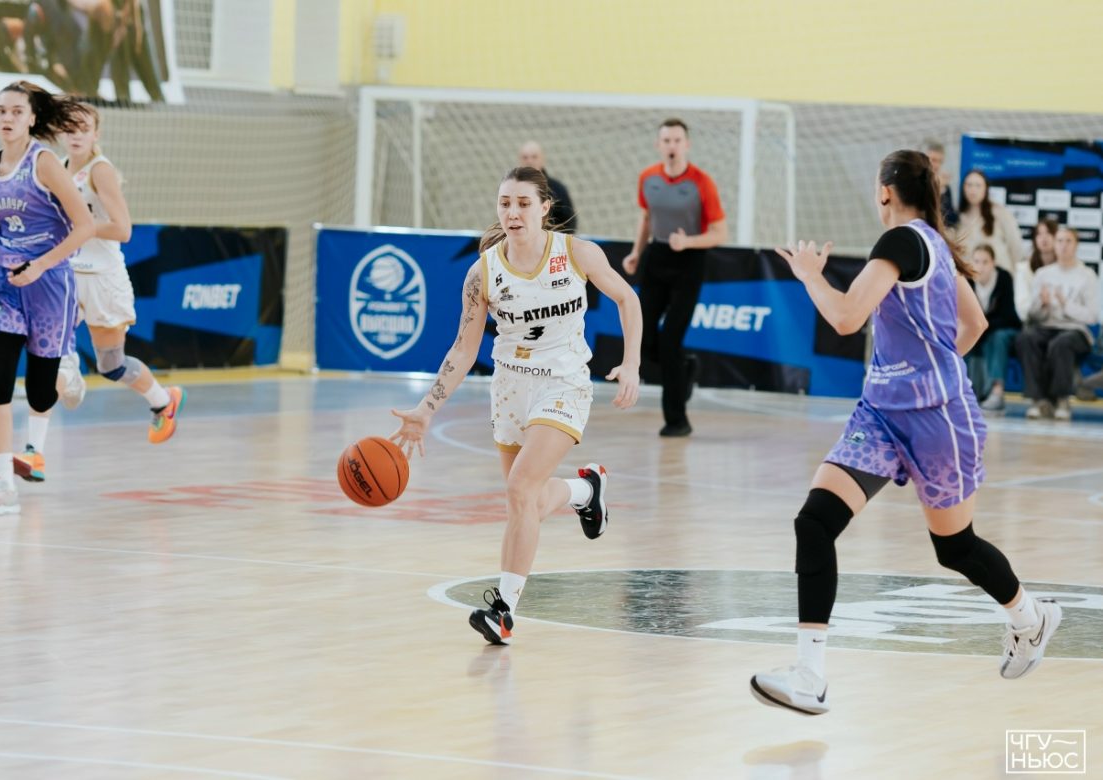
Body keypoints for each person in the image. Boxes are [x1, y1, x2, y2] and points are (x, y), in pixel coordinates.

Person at [749, 150, 1062, 717]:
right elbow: (973, 324)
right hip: (881, 415)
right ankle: (809, 676)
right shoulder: (935, 246)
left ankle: (1031, 618)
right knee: (814, 522)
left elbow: (846, 317)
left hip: (937, 420)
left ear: (886, 192)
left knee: (955, 548)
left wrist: (810, 275)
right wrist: (920, 369)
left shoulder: (904, 242)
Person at [389, 166, 642, 646]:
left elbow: (628, 300)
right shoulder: (482, 272)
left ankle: (503, 611)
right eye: (505, 203)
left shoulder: (577, 254)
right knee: (526, 500)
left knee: (521, 488)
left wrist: (631, 364)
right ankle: (585, 491)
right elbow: (464, 350)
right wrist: (426, 408)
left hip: (564, 385)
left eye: (523, 203)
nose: (513, 212)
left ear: (545, 208)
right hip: (509, 389)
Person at [0, 80, 96, 515]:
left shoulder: (44, 162)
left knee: (41, 391)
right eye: (0, 111)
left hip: (49, 285)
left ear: (31, 118)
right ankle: (1, 486)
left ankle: (65, 372)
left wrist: (41, 265)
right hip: (4, 288)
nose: (6, 118)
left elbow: (84, 226)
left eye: (15, 111)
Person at [14, 102, 185, 482]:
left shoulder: (100, 170)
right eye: (69, 128)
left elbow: (123, 229)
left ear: (96, 134)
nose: (76, 134)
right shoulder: (55, 168)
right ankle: (34, 451)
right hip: (66, 274)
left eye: (83, 128)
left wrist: (82, 225)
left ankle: (163, 401)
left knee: (112, 365)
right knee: (48, 356)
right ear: (60, 133)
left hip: (103, 277)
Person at [622, 118, 727, 437]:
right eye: (666, 140)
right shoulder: (647, 178)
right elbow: (646, 218)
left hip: (689, 262)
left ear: (687, 144)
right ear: (658, 145)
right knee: (644, 337)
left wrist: (688, 242)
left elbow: (720, 233)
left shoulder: (702, 182)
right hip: (656, 256)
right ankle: (685, 366)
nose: (672, 146)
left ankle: (677, 420)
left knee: (670, 342)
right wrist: (636, 252)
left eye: (677, 140)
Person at [1015, 226, 1099, 421]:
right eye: (1060, 241)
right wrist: (1042, 305)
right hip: (1046, 326)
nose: (1063, 246)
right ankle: (1038, 401)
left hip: (1076, 331)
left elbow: (1091, 316)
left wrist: (1065, 304)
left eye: (1068, 241)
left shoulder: (1087, 275)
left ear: (1076, 245)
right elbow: (1033, 315)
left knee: (1061, 343)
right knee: (1026, 338)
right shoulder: (1043, 274)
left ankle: (1061, 400)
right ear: (1054, 244)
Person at [965, 244, 1021, 411]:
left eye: (985, 262)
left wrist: (982, 327)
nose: (980, 267)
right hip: (980, 329)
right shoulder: (967, 281)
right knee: (964, 338)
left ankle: (997, 391)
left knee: (997, 339)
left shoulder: (1004, 278)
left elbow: (1007, 315)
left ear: (993, 263)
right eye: (976, 261)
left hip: (1004, 329)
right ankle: (965, 391)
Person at [957, 170, 1025, 275]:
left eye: (978, 185)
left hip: (999, 276)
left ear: (986, 189)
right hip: (971, 278)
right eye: (969, 185)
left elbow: (1015, 246)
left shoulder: (1000, 213)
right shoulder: (958, 216)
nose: (973, 190)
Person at [517, 141, 577, 233]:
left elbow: (570, 222)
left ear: (542, 160)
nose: (529, 161)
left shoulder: (558, 189)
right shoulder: (511, 189)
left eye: (534, 157)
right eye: (525, 157)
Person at [1014, 217, 1059, 317]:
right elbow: (1022, 309)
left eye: (1048, 233)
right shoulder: (1023, 269)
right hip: (1034, 321)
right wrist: (1040, 303)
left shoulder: (1065, 266)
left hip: (1062, 322)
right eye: (1039, 234)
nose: (1044, 238)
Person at [923, 139, 958, 228]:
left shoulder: (945, 187)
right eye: (933, 160)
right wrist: (937, 188)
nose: (937, 165)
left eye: (940, 161)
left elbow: (951, 219)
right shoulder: (916, 182)